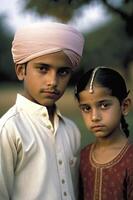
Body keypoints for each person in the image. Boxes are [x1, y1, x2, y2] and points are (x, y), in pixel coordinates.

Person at [0, 22, 84, 200]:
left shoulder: (72, 130)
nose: (53, 81)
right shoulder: (8, 130)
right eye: (43, 69)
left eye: (63, 72)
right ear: (21, 70)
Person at [74, 66, 133, 200]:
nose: (94, 117)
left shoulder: (131, 159)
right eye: (86, 108)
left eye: (104, 105)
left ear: (124, 106)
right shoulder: (81, 158)